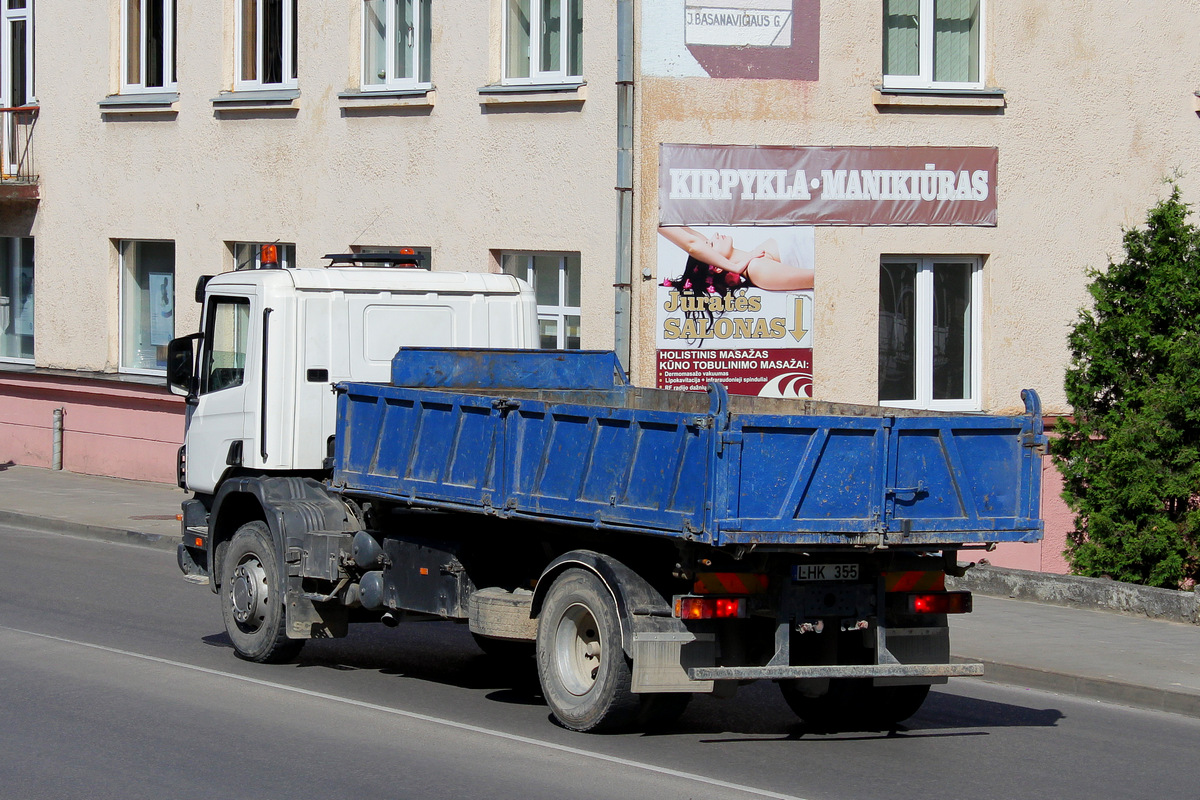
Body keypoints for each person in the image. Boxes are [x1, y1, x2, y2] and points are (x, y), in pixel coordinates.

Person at [658, 225, 814, 292]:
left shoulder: (756, 257)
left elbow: (687, 233)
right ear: (717, 266)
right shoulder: (757, 269)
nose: (715, 236)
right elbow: (821, 277)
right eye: (711, 244)